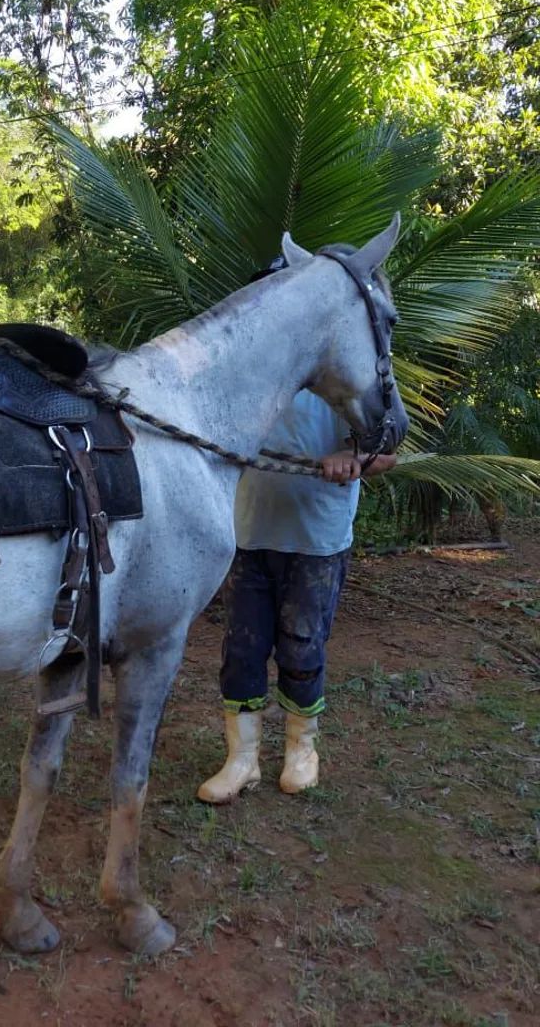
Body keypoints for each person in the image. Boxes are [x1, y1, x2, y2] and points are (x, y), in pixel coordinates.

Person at [198, 256, 398, 803]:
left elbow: (388, 452)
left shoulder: (338, 372)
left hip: (315, 543)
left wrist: (351, 455)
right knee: (241, 651)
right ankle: (241, 761)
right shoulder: (251, 378)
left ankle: (300, 752)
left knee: (302, 646)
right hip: (249, 536)